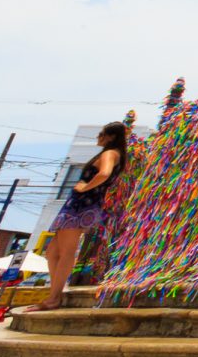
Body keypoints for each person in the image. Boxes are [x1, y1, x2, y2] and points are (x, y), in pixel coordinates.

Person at [34, 121, 128, 312]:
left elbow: (104, 174)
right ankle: (55, 291)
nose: (98, 137)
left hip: (82, 205)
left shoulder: (110, 154)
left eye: (101, 134)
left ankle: (54, 297)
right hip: (77, 204)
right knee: (53, 251)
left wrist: (86, 186)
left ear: (111, 137)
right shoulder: (108, 153)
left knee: (67, 251)